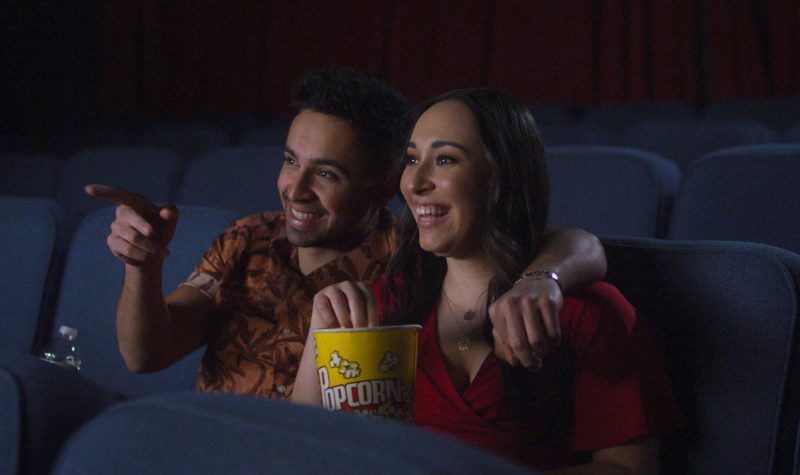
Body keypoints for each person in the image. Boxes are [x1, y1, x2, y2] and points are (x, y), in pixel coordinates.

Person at [86, 67, 607, 399]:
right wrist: (143, 266)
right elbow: (145, 356)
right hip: (222, 447)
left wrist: (543, 278)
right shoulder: (247, 240)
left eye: (327, 174)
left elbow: (573, 242)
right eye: (292, 162)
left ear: (384, 188)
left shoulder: (411, 258)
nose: (296, 189)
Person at [292, 88, 681, 472]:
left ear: (501, 176)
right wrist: (320, 329)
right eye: (412, 159)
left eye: (444, 160)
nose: (414, 182)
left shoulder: (592, 312)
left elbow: (630, 469)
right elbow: (298, 450)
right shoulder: (387, 303)